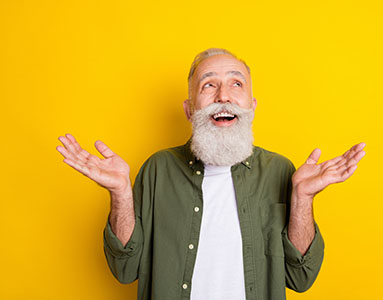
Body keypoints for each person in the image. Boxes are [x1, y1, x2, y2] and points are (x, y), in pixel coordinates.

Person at [56, 48, 366, 300]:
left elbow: (300, 278)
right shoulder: (157, 169)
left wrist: (303, 199)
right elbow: (125, 270)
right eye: (208, 84)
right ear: (189, 109)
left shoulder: (281, 171)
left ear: (252, 106)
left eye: (236, 83)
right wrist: (120, 193)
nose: (223, 96)